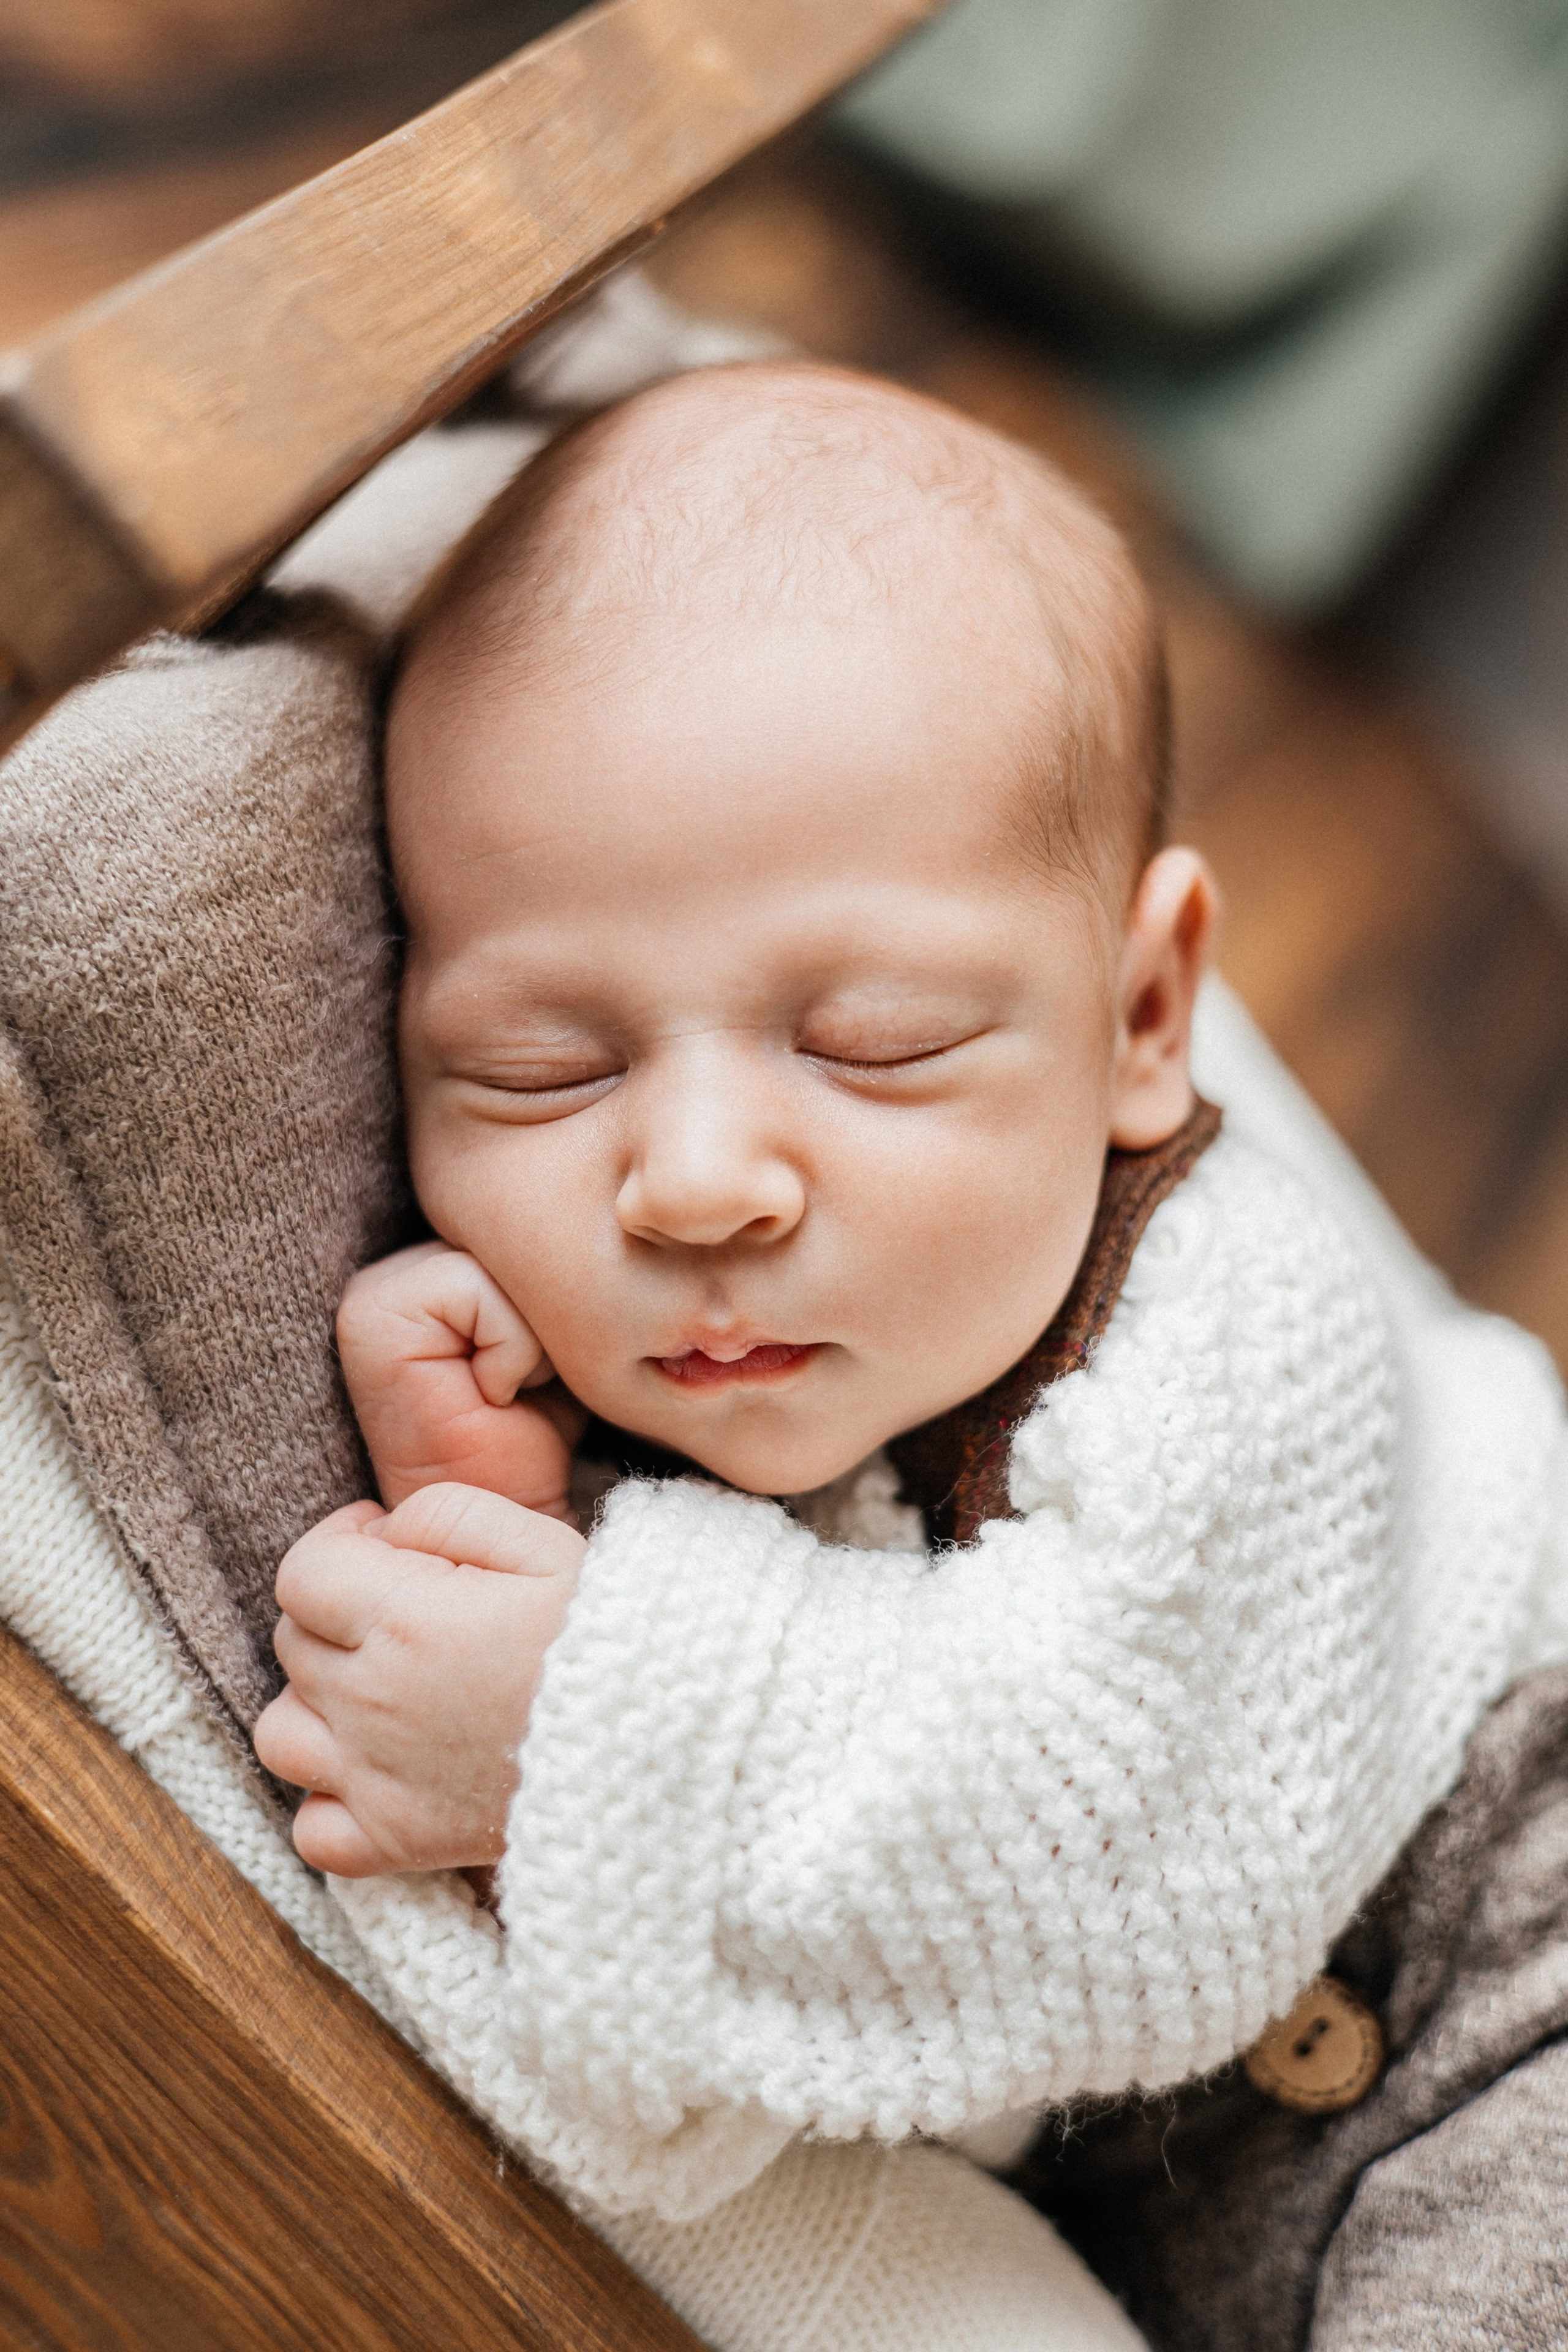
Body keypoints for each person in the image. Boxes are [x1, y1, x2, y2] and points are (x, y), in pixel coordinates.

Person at [251, 362, 1568, 2321]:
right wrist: (509, 1531)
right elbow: (786, 2026)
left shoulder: (1238, 1327)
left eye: (873, 1045)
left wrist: (580, 1717)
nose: (694, 1184)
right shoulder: (741, 1379)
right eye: (538, 1071)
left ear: (1139, 1016)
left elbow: (1128, 1847)